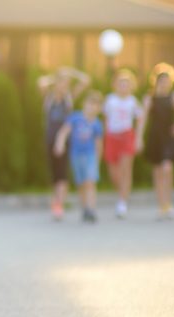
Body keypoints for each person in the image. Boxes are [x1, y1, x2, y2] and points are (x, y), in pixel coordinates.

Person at [38, 67, 91, 220]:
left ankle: (59, 204)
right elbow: (40, 83)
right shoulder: (48, 99)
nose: (63, 85)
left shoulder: (69, 98)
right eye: (60, 82)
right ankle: (56, 202)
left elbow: (85, 80)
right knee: (54, 174)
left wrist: (71, 72)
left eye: (65, 83)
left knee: (62, 173)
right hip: (49, 140)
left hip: (66, 141)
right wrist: (55, 77)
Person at [140, 63, 174, 220]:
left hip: (169, 137)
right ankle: (162, 206)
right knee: (157, 172)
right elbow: (143, 119)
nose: (164, 83)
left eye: (167, 81)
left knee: (167, 168)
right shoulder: (150, 98)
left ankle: (169, 203)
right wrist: (138, 138)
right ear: (156, 81)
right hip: (155, 137)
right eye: (162, 81)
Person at [54, 90, 104, 223]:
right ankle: (84, 208)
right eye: (90, 104)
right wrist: (60, 143)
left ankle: (91, 209)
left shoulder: (97, 124)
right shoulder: (75, 117)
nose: (92, 107)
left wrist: (98, 159)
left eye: (95, 105)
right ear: (84, 104)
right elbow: (64, 131)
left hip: (90, 155)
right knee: (81, 183)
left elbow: (99, 143)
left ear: (99, 109)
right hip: (76, 155)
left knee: (90, 182)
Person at [103, 69, 145, 218]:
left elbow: (140, 119)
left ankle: (122, 203)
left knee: (125, 170)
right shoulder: (110, 100)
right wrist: (105, 138)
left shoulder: (133, 101)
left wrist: (139, 138)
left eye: (126, 84)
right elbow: (105, 119)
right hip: (112, 137)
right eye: (121, 83)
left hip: (127, 136)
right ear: (115, 85)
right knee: (114, 173)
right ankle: (121, 193)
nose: (123, 86)